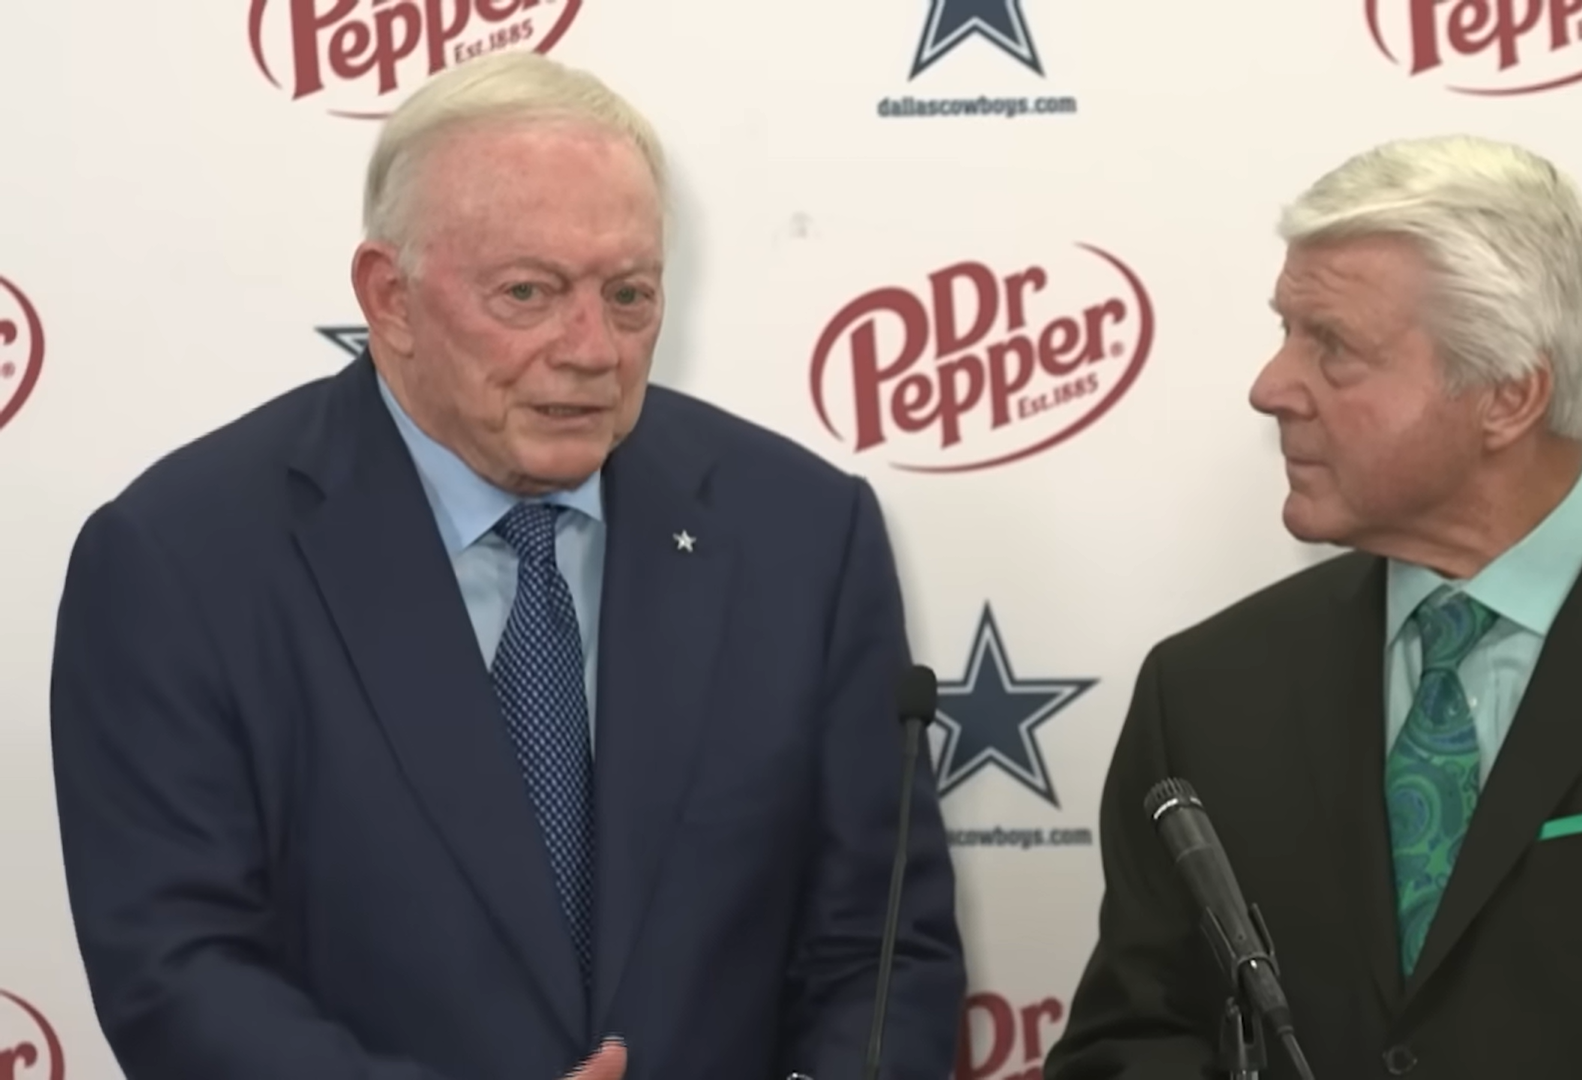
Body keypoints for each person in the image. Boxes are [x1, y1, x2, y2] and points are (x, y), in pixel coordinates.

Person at [48, 51, 965, 1080]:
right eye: (529, 293)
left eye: (629, 295)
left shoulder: (802, 533)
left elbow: (883, 954)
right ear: (389, 298)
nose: (592, 349)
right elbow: (177, 974)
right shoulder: (182, 561)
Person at [1044, 135, 1582, 1079]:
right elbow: (1130, 1042)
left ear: (1507, 395)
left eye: (1330, 345)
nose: (1269, 387)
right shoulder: (1205, 690)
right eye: (1284, 330)